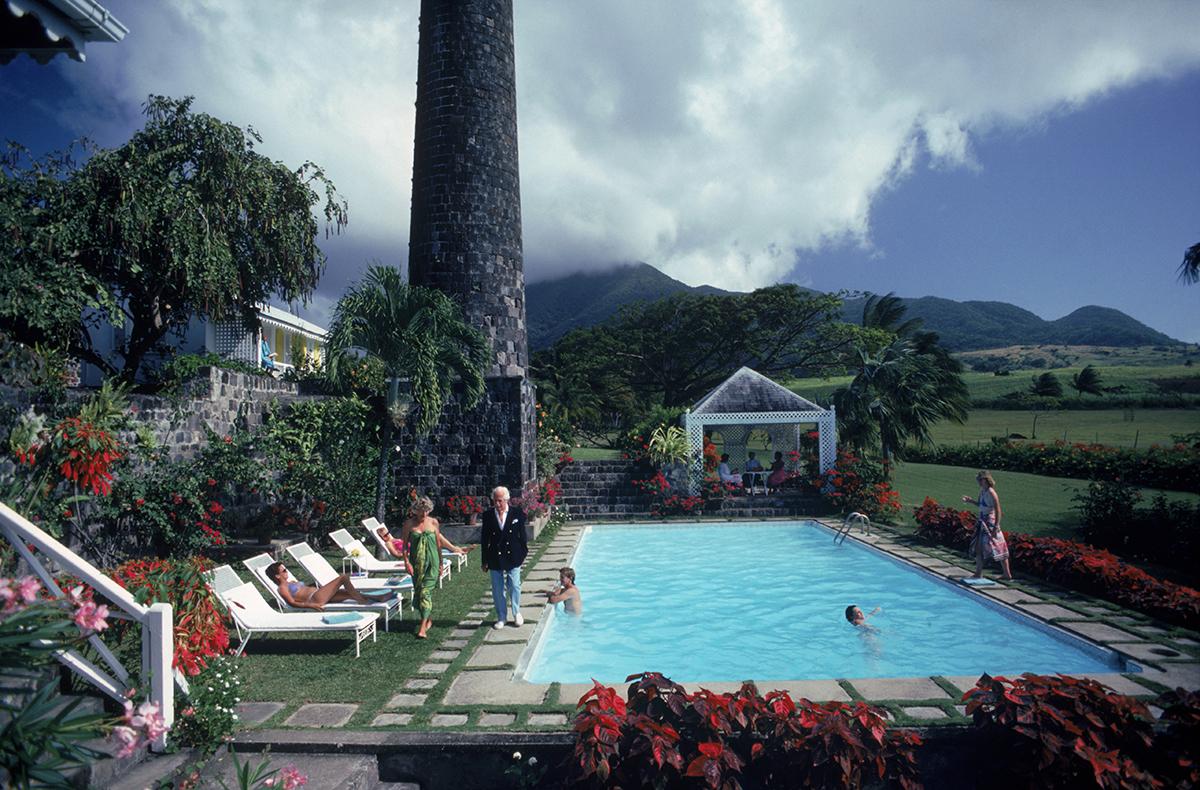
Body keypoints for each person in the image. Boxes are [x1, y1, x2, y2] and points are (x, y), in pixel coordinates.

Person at [401, 496, 471, 639]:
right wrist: (406, 562)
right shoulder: (409, 524)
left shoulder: (433, 522)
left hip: (432, 562)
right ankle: (427, 619)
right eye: (421, 512)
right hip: (416, 563)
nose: (424, 515)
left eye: (426, 511)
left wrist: (440, 563)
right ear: (415, 510)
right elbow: (404, 547)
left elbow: (438, 543)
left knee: (425, 592)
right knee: (420, 592)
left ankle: (422, 628)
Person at [480, 485, 528, 629]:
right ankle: (501, 616)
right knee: (497, 588)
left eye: (500, 500)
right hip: (494, 556)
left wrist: (523, 552)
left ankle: (516, 612)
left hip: (513, 555)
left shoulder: (517, 513)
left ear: (506, 500)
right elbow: (484, 539)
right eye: (495, 501)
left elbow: (522, 536)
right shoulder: (488, 515)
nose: (498, 504)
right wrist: (484, 560)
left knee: (514, 585)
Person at [963, 470, 1013, 580]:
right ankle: (978, 573)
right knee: (979, 547)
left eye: (980, 480)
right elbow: (981, 505)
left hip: (990, 523)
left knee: (999, 546)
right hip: (982, 521)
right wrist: (971, 501)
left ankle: (1006, 573)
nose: (978, 482)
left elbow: (998, 510)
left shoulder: (991, 493)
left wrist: (995, 526)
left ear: (985, 480)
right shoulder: (982, 491)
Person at [267, 561, 375, 611]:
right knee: (343, 577)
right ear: (277, 575)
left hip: (319, 594)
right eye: (284, 570)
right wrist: (311, 606)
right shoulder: (282, 588)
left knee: (349, 594)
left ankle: (378, 597)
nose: (287, 571)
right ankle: (363, 600)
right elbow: (292, 603)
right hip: (315, 599)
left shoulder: (290, 582)